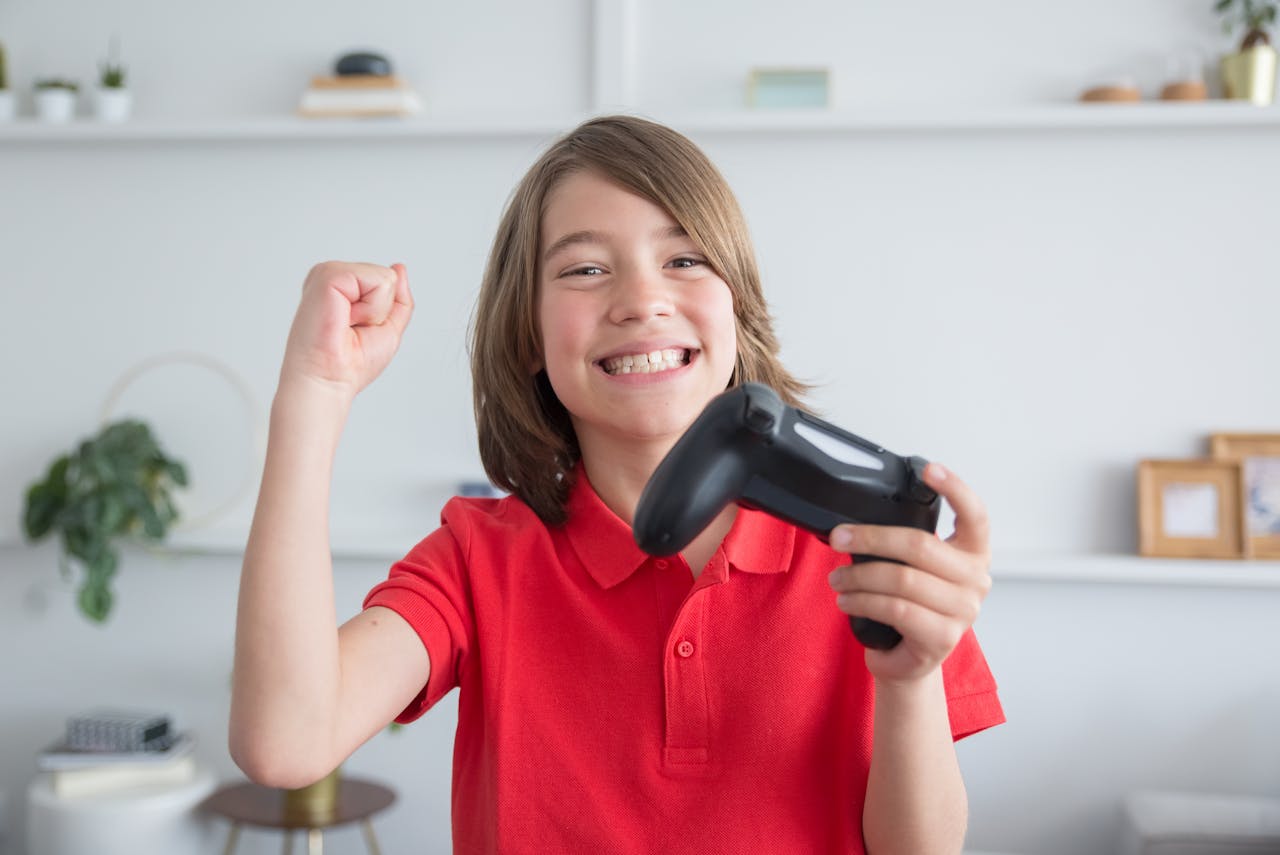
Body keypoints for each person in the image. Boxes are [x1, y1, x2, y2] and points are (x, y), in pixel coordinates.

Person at [230, 115, 1004, 854]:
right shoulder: (476, 560)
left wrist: (910, 679)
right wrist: (315, 394)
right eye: (586, 269)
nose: (640, 300)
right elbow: (286, 742)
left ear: (737, 309)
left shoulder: (870, 552)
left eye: (684, 259)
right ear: (529, 336)